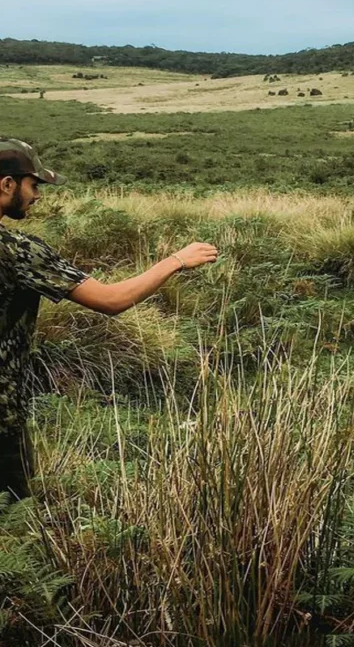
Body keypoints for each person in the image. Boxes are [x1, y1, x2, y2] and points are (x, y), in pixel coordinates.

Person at [0, 138, 218, 499]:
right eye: (34, 184)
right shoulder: (18, 251)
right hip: (3, 416)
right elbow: (112, 300)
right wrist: (177, 260)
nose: (38, 194)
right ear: (7, 184)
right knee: (12, 521)